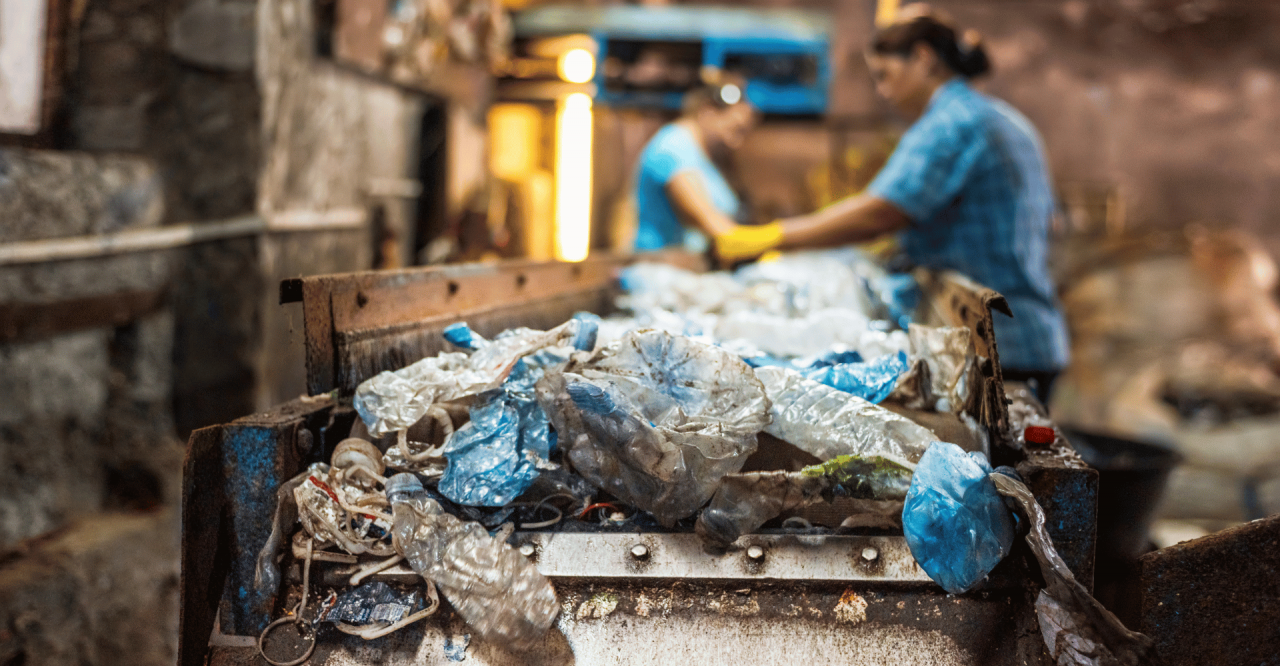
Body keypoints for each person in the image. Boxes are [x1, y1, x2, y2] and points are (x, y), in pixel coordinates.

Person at [714, 10, 1069, 401]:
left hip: (1002, 347)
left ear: (923, 58)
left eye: (884, 75)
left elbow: (881, 211)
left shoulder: (953, 122)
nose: (882, 91)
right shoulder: (1000, 117)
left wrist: (773, 237)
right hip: (1025, 332)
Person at [633, 77, 760, 253]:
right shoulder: (674, 148)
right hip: (660, 267)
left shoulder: (706, 155)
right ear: (707, 112)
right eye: (734, 130)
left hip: (687, 267)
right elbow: (717, 228)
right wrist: (787, 235)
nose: (736, 143)